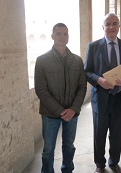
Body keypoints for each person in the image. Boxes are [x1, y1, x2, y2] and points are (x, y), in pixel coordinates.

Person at [84, 13, 121, 173]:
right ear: (103, 27)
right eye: (108, 24)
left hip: (119, 97)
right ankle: (100, 164)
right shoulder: (93, 47)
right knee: (99, 133)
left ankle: (114, 162)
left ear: (119, 26)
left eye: (115, 24)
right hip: (100, 97)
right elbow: (87, 71)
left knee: (116, 133)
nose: (111, 27)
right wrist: (99, 80)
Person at [34, 23, 87, 173]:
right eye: (58, 34)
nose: (62, 37)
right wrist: (59, 111)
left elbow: (82, 86)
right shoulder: (42, 60)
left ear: (68, 37)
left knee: (69, 145)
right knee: (48, 149)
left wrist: (73, 109)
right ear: (52, 36)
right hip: (50, 114)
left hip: (72, 113)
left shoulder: (77, 60)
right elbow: (41, 90)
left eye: (65, 34)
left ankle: (67, 170)